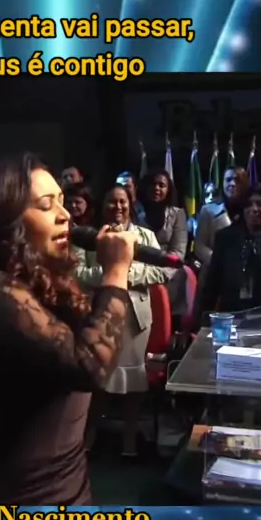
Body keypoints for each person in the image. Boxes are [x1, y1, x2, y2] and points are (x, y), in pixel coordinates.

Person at [0, 153, 135, 505]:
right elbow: (88, 365)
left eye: (62, 202)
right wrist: (116, 273)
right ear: (9, 220)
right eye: (47, 205)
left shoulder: (49, 282)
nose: (65, 215)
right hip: (15, 505)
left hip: (69, 490)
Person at [74, 183, 167, 455]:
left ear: (130, 204)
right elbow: (78, 273)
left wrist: (125, 274)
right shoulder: (90, 236)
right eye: (112, 202)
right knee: (98, 378)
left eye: (123, 201)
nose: (118, 207)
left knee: (134, 383)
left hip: (135, 319)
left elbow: (162, 272)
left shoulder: (145, 235)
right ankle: (89, 436)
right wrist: (111, 273)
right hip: (100, 316)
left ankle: (129, 439)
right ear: (103, 206)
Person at [200, 185, 261, 315]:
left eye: (260, 204)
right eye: (248, 205)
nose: (254, 209)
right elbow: (212, 284)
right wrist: (203, 317)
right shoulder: (226, 238)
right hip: (233, 315)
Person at [138, 169, 188, 320]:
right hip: (141, 268)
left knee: (179, 274)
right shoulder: (135, 213)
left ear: (168, 190)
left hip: (169, 269)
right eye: (153, 184)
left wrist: (159, 273)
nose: (157, 188)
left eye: (162, 185)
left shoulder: (177, 214)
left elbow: (178, 252)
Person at [194, 166, 249, 266]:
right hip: (215, 269)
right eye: (228, 180)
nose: (232, 184)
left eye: (237, 180)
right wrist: (218, 261)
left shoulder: (250, 211)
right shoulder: (208, 211)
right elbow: (199, 246)